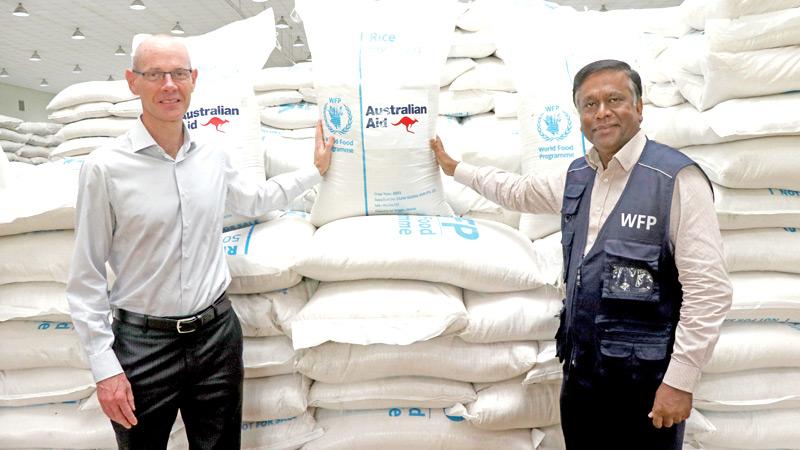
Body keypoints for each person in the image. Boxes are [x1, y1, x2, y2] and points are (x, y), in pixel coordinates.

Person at [431, 59, 731, 449]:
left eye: (614, 100)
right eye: (590, 105)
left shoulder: (675, 179)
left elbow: (709, 292)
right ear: (579, 117)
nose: (602, 112)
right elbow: (518, 192)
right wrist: (456, 169)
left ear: (639, 108)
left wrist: (680, 381)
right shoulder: (578, 176)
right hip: (582, 379)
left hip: (646, 384)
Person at [66, 35, 332, 449]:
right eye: (155, 74)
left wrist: (314, 172)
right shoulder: (105, 168)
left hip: (216, 336)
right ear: (133, 82)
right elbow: (85, 278)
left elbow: (253, 200)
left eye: (178, 74)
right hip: (142, 345)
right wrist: (105, 369)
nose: (168, 85)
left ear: (193, 80)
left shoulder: (212, 152)